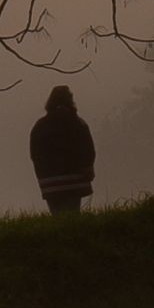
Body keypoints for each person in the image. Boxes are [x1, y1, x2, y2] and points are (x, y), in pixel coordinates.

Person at [29, 84, 95, 214]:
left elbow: (35, 154)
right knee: (73, 217)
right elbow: (88, 151)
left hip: (50, 183)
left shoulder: (40, 126)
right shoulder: (78, 123)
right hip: (75, 181)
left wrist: (43, 175)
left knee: (57, 217)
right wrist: (87, 170)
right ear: (70, 101)